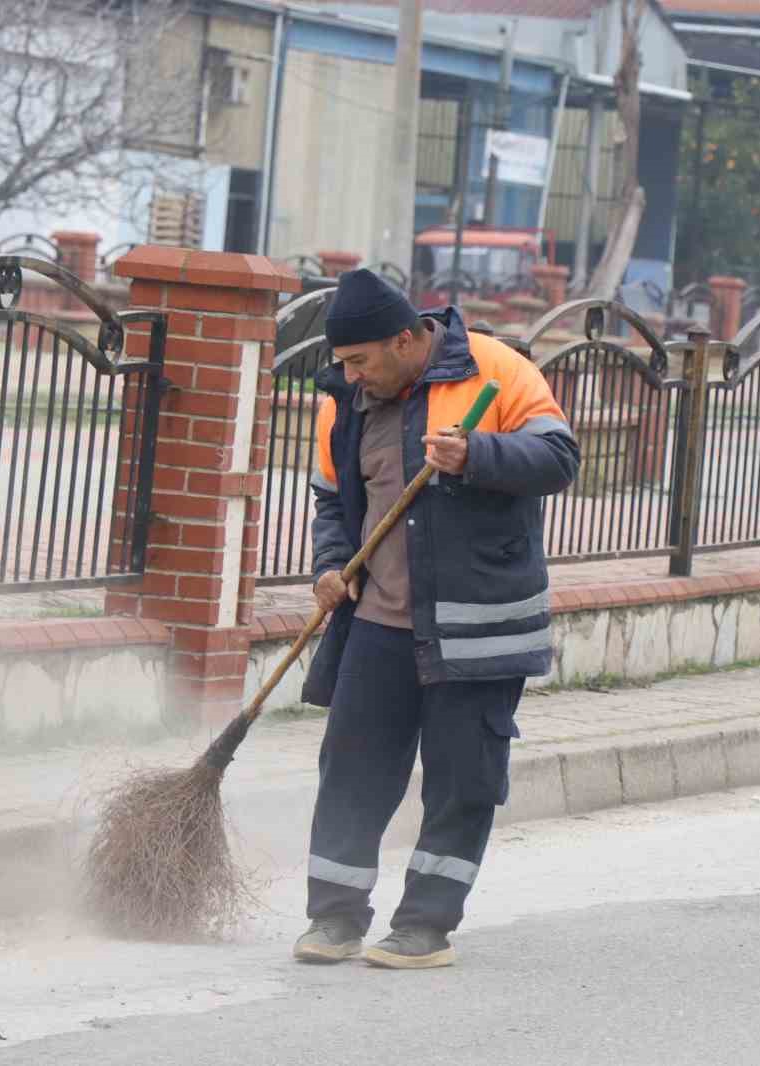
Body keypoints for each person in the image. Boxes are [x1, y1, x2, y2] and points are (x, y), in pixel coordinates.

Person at [293, 268, 580, 969]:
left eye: (361, 361)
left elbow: (559, 457)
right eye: (344, 364)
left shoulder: (496, 369)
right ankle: (333, 919)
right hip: (378, 623)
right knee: (352, 771)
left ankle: (425, 925)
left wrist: (476, 453)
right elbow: (332, 500)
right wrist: (330, 568)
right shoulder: (345, 401)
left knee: (462, 778)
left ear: (403, 339)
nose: (353, 376)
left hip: (479, 623)